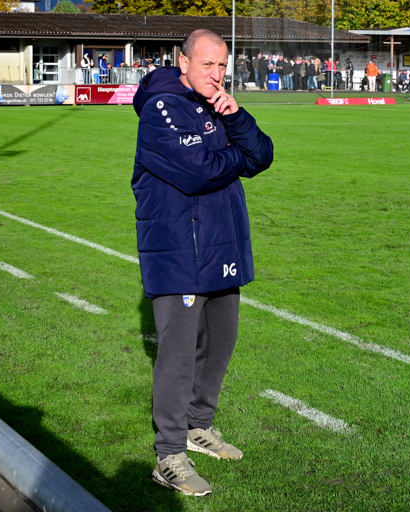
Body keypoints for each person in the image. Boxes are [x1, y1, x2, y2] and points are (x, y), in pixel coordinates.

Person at [132, 29, 273, 497]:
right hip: (179, 251)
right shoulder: (160, 109)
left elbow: (263, 155)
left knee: (221, 342)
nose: (216, 75)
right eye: (207, 65)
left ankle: (199, 427)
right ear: (183, 62)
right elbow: (197, 172)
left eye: (222, 66)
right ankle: (169, 454)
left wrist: (236, 117)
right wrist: (235, 155)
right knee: (177, 354)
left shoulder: (218, 107)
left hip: (221, 246)